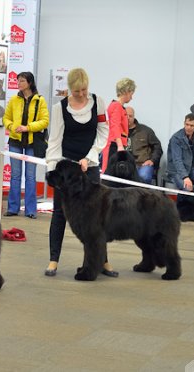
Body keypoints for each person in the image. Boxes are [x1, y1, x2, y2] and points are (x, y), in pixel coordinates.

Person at [44, 68, 118, 278]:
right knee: (59, 213)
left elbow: (104, 132)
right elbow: (55, 141)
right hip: (66, 169)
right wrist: (52, 170)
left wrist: (90, 156)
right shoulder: (60, 108)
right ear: (70, 89)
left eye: (84, 89)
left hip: (90, 165)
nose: (82, 94)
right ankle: (53, 260)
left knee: (98, 218)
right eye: (77, 91)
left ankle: (103, 261)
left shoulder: (98, 102)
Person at [3, 71, 49, 218]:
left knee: (30, 176)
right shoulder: (13, 100)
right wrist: (11, 126)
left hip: (32, 143)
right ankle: (13, 208)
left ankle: (30, 210)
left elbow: (45, 121)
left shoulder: (40, 100)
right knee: (15, 176)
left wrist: (27, 127)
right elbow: (6, 118)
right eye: (17, 81)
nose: (18, 84)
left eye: (22, 81)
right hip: (15, 141)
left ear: (29, 82)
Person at [101, 78, 136, 172]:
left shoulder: (119, 107)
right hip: (113, 145)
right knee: (108, 172)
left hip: (115, 144)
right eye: (131, 94)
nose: (131, 97)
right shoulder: (116, 106)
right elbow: (115, 126)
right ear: (127, 92)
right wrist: (120, 145)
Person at [166, 113, 194, 191]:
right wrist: (185, 177)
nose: (188, 127)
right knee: (187, 188)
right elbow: (177, 160)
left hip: (191, 169)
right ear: (184, 123)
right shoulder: (176, 138)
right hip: (176, 172)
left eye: (191, 125)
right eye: (187, 124)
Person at [126, 106, 163, 184]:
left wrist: (152, 160)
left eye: (130, 116)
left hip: (142, 164)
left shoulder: (146, 131)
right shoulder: (117, 131)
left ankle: (142, 196)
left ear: (134, 117)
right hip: (125, 165)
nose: (128, 118)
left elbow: (158, 147)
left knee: (144, 177)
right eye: (126, 115)